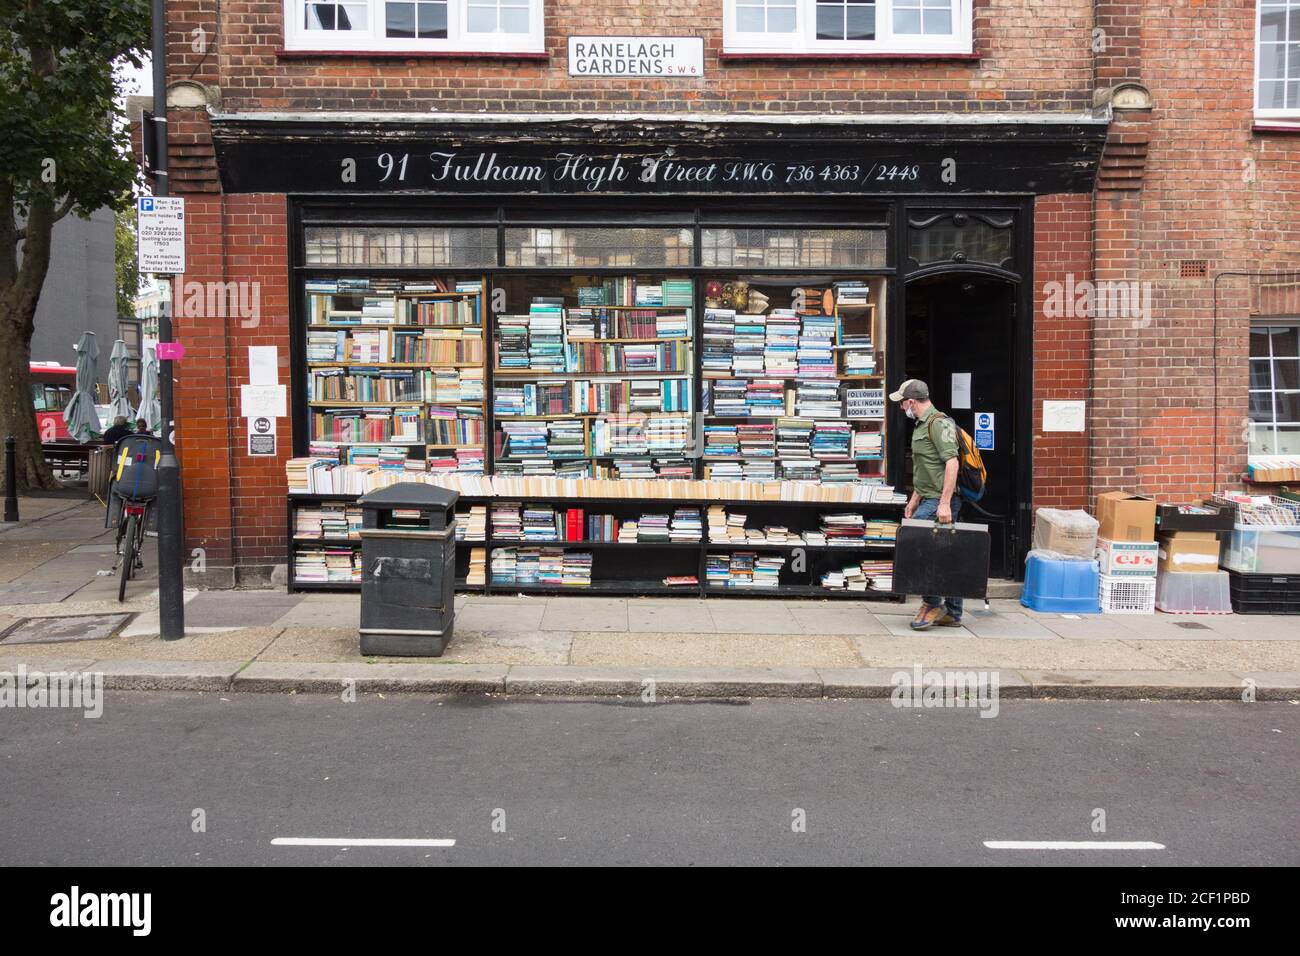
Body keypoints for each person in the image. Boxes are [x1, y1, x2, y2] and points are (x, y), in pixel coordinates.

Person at [890, 379, 964, 631]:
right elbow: (925, 468)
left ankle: (932, 603)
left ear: (912, 401)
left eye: (902, 402)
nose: (901, 407)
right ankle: (953, 613)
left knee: (920, 546)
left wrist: (944, 503)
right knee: (948, 551)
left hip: (939, 500)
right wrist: (913, 500)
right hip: (928, 497)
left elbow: (951, 463)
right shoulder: (921, 425)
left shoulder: (938, 423)